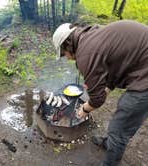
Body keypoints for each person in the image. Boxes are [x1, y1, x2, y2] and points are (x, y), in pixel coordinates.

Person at [52, 20, 148, 166]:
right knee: (122, 123)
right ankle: (110, 143)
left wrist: (84, 109)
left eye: (64, 54)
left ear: (67, 44)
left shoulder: (86, 53)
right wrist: (107, 89)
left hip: (144, 76)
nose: (67, 58)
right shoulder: (90, 35)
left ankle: (111, 157)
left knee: (120, 127)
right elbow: (116, 63)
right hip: (141, 62)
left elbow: (97, 100)